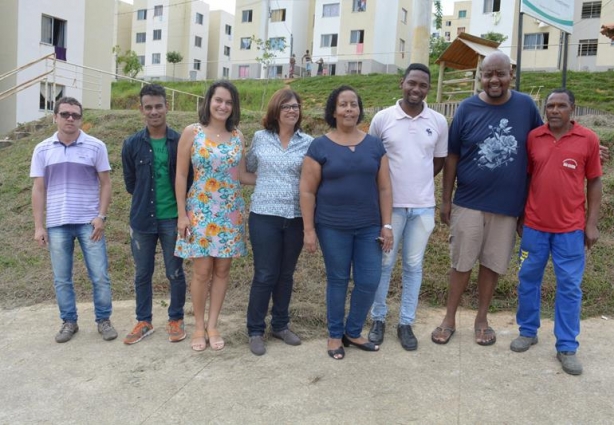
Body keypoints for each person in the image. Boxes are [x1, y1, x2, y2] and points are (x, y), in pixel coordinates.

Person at [431, 52, 543, 346]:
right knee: (461, 262)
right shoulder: (467, 108)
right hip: (468, 201)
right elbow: (452, 155)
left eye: (500, 74)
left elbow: (543, 145)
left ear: (511, 75)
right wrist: (446, 200)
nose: (494, 79)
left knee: (492, 264)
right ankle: (449, 318)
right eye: (488, 74)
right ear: (480, 76)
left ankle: (482, 319)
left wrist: (590, 148)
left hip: (507, 207)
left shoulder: (526, 107)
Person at [510, 89, 602, 376]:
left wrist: (592, 222)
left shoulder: (588, 140)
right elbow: (526, 178)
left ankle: (566, 346)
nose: (555, 110)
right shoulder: (533, 138)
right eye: (550, 105)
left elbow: (595, 182)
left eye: (561, 105)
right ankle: (528, 330)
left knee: (570, 287)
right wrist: (522, 215)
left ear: (572, 109)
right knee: (527, 279)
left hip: (571, 230)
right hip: (535, 226)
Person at [300, 85, 393, 360]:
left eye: (353, 104)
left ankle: (353, 331)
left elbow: (385, 189)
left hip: (368, 227)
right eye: (343, 104)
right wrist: (308, 230)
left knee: (369, 280)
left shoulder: (375, 145)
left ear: (359, 110)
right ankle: (334, 335)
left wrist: (386, 225)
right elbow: (307, 190)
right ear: (333, 110)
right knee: (338, 280)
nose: (349, 109)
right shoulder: (319, 146)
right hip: (332, 226)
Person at [368, 63, 448, 351]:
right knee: (384, 264)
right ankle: (378, 319)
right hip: (390, 209)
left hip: (423, 208)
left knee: (414, 266)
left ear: (428, 89)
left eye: (423, 85)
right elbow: (372, 158)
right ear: (402, 82)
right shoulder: (382, 118)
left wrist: (419, 185)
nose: (416, 89)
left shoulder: (438, 121)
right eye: (412, 83)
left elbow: (438, 162)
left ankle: (406, 323)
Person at [30, 97, 117, 343]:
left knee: (99, 274)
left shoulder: (96, 146)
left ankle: (104, 320)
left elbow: (106, 183)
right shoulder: (42, 149)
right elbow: (38, 189)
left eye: (75, 115)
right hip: (57, 223)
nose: (70, 118)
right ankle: (69, 322)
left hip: (89, 223)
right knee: (61, 277)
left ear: (81, 118)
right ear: (55, 117)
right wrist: (39, 226)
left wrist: (101, 216)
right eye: (65, 114)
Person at [175, 81, 249, 352]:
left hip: (230, 211)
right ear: (209, 101)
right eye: (219, 100)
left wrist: (279, 176)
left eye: (229, 102)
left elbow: (241, 175)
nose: (223, 106)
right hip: (200, 210)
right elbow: (181, 174)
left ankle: (213, 324)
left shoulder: (238, 136)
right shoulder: (192, 132)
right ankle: (197, 326)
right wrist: (182, 215)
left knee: (222, 270)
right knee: (202, 271)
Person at [121, 84, 192, 345]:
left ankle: (176, 318)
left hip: (173, 219)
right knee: (142, 273)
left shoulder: (180, 142)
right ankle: (144, 321)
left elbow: (189, 178)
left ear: (167, 106)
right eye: (148, 107)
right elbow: (130, 183)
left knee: (175, 272)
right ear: (141, 109)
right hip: (142, 220)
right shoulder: (131, 144)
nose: (154, 111)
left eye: (158, 106)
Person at [246, 88, 313, 356]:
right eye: (286, 106)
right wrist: (266, 184)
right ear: (276, 110)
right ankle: (254, 330)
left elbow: (311, 179)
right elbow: (248, 169)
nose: (292, 110)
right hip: (264, 215)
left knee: (285, 275)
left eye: (295, 106)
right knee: (265, 274)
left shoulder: (308, 142)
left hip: (295, 217)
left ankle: (281, 325)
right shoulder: (260, 138)